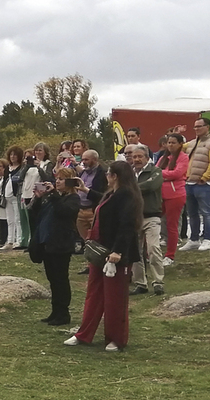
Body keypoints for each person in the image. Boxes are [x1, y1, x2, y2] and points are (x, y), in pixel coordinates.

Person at [64, 161, 142, 352]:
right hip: (100, 251)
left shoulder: (127, 196)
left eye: (108, 173)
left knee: (115, 298)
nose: (106, 176)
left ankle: (116, 338)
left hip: (116, 253)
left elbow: (127, 226)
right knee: (94, 293)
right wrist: (86, 191)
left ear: (115, 175)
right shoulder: (112, 194)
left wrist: (117, 251)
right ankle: (84, 333)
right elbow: (106, 205)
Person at [28, 167, 81, 325]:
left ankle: (63, 313)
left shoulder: (72, 198)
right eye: (57, 179)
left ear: (69, 182)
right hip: (48, 243)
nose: (57, 182)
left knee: (61, 279)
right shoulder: (54, 198)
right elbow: (37, 215)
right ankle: (55, 311)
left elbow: (64, 212)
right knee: (52, 279)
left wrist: (54, 196)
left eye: (61, 179)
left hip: (61, 244)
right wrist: (38, 198)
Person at [180, 118, 210, 251]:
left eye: (199, 126)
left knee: (206, 212)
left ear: (207, 127)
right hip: (189, 182)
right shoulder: (192, 143)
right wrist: (176, 135)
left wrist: (205, 177)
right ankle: (194, 239)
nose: (196, 129)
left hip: (203, 184)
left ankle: (208, 239)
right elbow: (177, 147)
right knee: (192, 213)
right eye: (195, 127)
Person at [128, 146, 165, 296]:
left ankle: (158, 282)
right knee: (135, 252)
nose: (136, 159)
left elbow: (151, 185)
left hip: (151, 216)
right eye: (134, 157)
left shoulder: (156, 171)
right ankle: (140, 283)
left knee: (153, 248)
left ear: (146, 157)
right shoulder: (129, 174)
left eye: (139, 157)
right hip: (134, 217)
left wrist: (130, 188)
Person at [158, 133, 189, 267]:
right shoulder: (163, 158)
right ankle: (148, 253)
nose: (170, 145)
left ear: (180, 144)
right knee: (153, 222)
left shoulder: (183, 157)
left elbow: (177, 173)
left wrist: (161, 173)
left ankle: (170, 255)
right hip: (160, 195)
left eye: (173, 142)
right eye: (168, 142)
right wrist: (164, 175)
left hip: (175, 195)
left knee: (172, 225)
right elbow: (155, 171)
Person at [74, 150, 107, 271]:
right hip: (80, 210)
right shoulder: (83, 173)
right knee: (86, 240)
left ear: (94, 159)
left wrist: (86, 191)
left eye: (86, 159)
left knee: (96, 239)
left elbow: (103, 195)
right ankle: (90, 264)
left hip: (93, 210)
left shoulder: (102, 174)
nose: (83, 161)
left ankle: (99, 263)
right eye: (83, 159)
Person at [2, 146, 24, 250]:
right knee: (10, 220)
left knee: (17, 219)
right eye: (11, 154)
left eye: (15, 155)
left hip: (16, 196)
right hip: (7, 196)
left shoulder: (21, 168)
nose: (12, 157)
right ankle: (10, 240)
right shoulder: (7, 168)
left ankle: (19, 240)